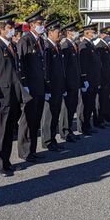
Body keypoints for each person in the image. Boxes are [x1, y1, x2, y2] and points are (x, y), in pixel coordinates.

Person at [0, 14, 23, 177]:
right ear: (0, 29)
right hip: (0, 96)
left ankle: (6, 161)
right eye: (8, 28)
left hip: (12, 95)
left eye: (12, 28)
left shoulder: (12, 46)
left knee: (8, 131)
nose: (11, 30)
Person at [16, 9, 47, 163]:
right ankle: (24, 152)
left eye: (43, 23)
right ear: (32, 25)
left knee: (36, 120)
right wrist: (24, 85)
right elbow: (20, 64)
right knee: (27, 121)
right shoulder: (25, 40)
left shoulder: (40, 41)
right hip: (30, 88)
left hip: (39, 87)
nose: (43, 26)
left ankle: (32, 150)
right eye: (40, 24)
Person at [40, 20, 66, 151]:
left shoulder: (57, 46)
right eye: (57, 32)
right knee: (49, 114)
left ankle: (52, 138)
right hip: (51, 87)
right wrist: (47, 87)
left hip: (59, 86)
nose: (60, 34)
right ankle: (47, 140)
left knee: (55, 113)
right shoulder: (47, 47)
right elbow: (46, 69)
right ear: (50, 33)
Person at [77, 23, 102, 135]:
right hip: (88, 80)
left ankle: (87, 125)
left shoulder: (90, 44)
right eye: (93, 32)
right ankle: (83, 127)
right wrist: (84, 79)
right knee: (85, 105)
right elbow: (83, 64)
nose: (95, 34)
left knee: (90, 105)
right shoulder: (84, 45)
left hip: (93, 80)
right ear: (87, 33)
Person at [59, 22, 81, 142]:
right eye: (74, 31)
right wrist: (65, 84)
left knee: (72, 107)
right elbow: (64, 68)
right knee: (66, 108)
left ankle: (69, 130)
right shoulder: (65, 46)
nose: (76, 33)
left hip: (75, 82)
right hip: (68, 83)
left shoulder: (73, 45)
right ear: (68, 33)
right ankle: (64, 131)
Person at [95, 26, 110, 125]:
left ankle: (103, 118)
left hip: (107, 78)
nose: (109, 37)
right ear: (102, 35)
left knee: (105, 100)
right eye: (107, 35)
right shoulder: (100, 46)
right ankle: (99, 120)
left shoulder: (106, 46)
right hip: (102, 78)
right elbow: (100, 65)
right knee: (100, 100)